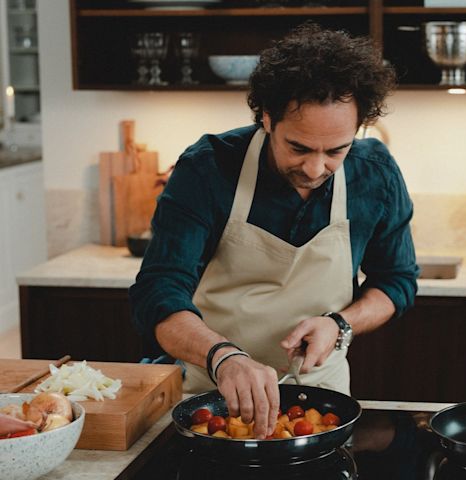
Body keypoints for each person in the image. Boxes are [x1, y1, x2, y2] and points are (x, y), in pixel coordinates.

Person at [129, 23, 418, 439]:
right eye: (298, 147)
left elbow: (397, 281)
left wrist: (340, 324)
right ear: (266, 117)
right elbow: (158, 292)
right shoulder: (207, 168)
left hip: (317, 405)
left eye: (336, 150)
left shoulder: (376, 174)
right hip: (209, 400)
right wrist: (222, 356)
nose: (316, 169)